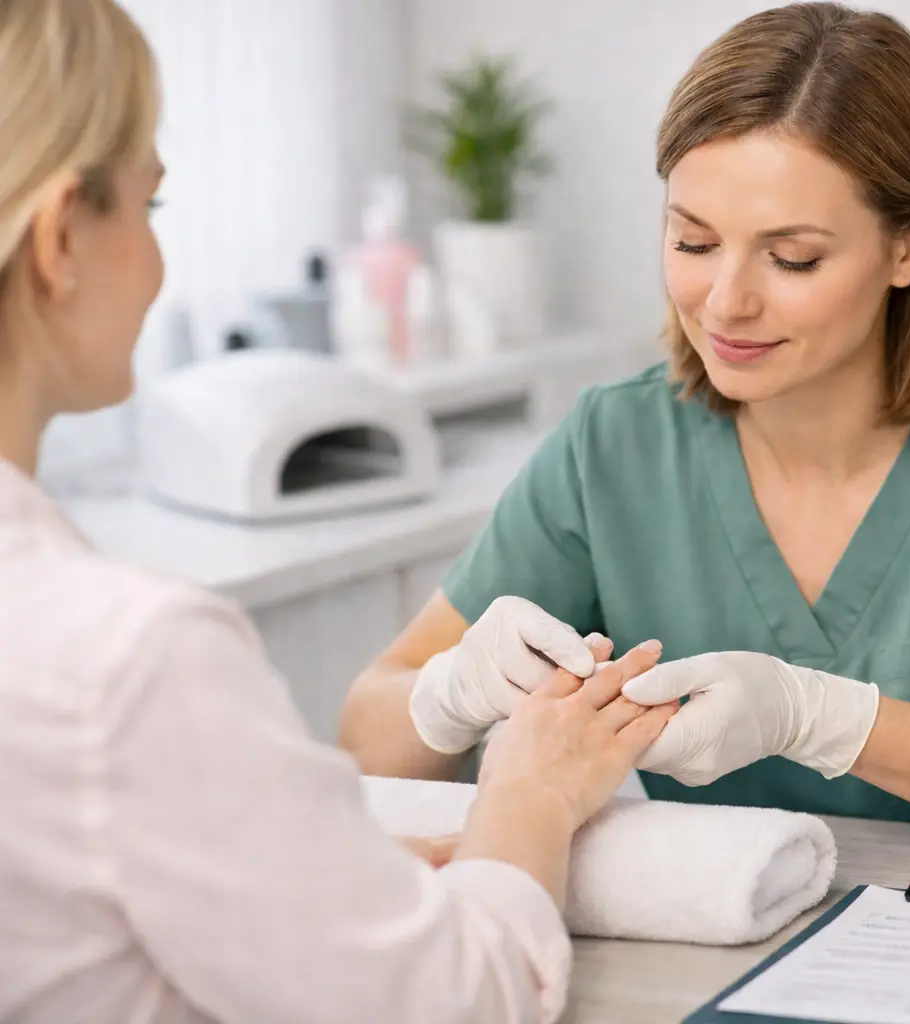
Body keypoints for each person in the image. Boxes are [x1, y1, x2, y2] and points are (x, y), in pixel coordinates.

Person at [340, 1, 910, 855]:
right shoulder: (614, 447)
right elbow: (365, 745)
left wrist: (825, 718)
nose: (726, 301)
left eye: (792, 257)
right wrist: (448, 696)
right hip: (728, 946)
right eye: (692, 242)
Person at [0, 2, 676, 1021]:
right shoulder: (126, 654)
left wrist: (308, 880)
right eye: (151, 207)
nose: (156, 262)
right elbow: (456, 1000)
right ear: (59, 236)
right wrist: (528, 791)